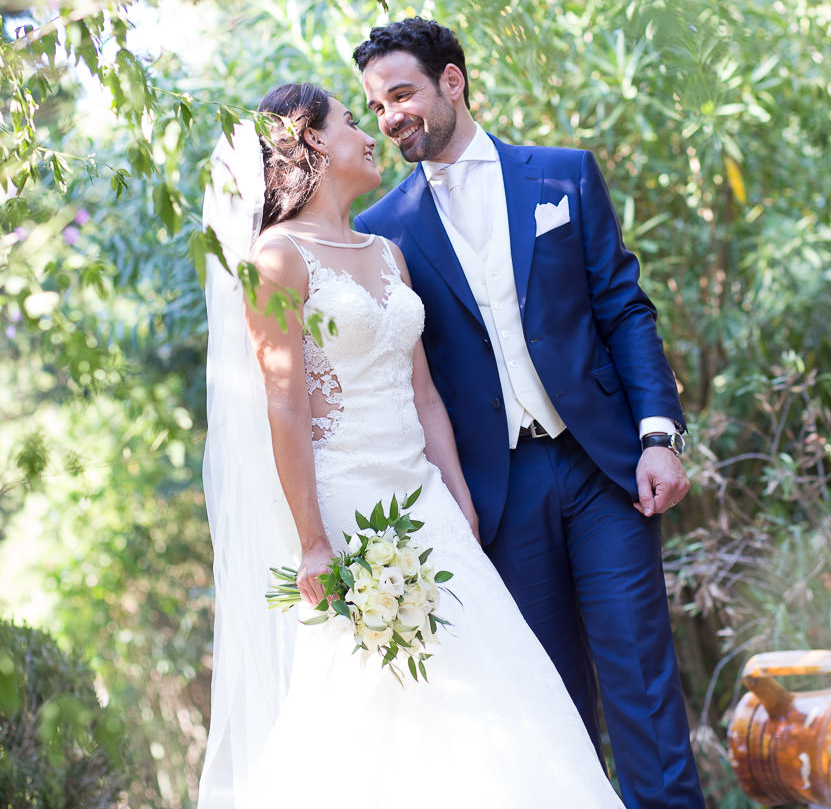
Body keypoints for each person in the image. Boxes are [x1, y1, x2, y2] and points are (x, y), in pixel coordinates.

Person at [195, 82, 624, 808]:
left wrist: (457, 495)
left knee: (496, 682)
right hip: (347, 506)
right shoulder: (276, 258)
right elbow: (284, 404)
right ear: (313, 140)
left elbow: (423, 394)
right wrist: (313, 542)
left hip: (424, 499)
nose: (371, 135)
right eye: (351, 121)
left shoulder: (388, 253)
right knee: (378, 704)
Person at [352, 17, 705, 809]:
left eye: (402, 94)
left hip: (602, 469)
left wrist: (658, 435)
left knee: (644, 684)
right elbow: (404, 382)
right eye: (375, 107)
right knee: (550, 713)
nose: (391, 117)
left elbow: (624, 311)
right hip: (498, 495)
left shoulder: (563, 176)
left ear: (452, 81)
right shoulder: (383, 233)